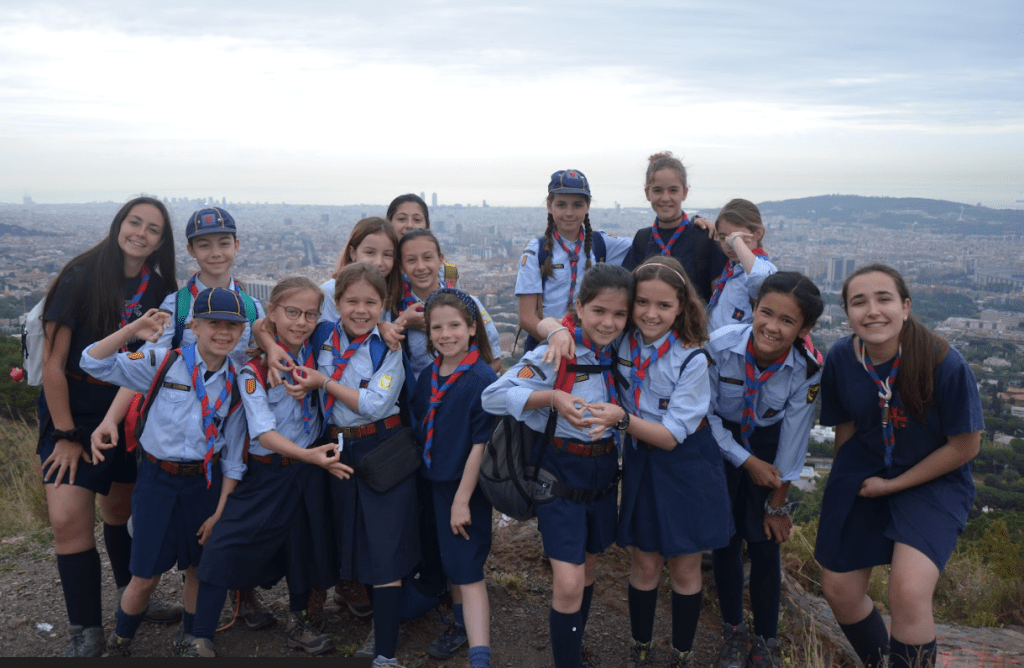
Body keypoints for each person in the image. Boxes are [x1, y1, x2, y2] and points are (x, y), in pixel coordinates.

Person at [542, 257, 733, 667]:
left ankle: (681, 651)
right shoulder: (623, 340)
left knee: (684, 565)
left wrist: (622, 420)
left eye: (664, 305)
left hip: (685, 464)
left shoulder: (691, 358)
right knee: (644, 560)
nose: (651, 313)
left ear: (681, 307)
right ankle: (640, 645)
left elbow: (672, 435)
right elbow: (569, 321)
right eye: (642, 303)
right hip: (642, 460)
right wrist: (555, 329)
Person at [814, 264, 982, 668]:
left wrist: (893, 486)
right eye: (859, 302)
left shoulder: (943, 362)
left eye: (884, 299)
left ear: (905, 307)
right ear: (847, 313)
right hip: (865, 471)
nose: (872, 310)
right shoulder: (842, 357)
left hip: (933, 479)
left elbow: (965, 446)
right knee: (839, 589)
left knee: (908, 591)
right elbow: (845, 427)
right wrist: (841, 489)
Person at [37, 196, 177, 656]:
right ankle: (85, 631)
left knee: (119, 509)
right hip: (72, 405)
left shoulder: (160, 289)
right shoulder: (81, 275)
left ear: (161, 241)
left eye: (153, 229)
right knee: (67, 518)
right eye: (135, 222)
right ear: (119, 224)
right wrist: (65, 434)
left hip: (127, 406)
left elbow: (151, 361)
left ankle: (129, 602)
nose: (141, 233)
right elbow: (53, 363)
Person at [188, 277, 354, 656]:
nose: (301, 322)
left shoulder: (319, 352)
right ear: (273, 313)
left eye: (310, 314)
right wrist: (310, 456)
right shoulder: (253, 370)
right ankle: (201, 633)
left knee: (304, 545)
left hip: (307, 471)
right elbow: (263, 432)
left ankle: (301, 621)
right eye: (291, 312)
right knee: (225, 542)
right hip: (268, 470)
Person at [81, 288, 249, 657]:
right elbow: (92, 362)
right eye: (214, 323)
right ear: (195, 326)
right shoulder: (162, 361)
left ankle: (190, 637)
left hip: (204, 482)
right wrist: (133, 330)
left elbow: (235, 455)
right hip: (157, 480)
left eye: (233, 325)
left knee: (196, 568)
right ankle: (121, 641)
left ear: (242, 331)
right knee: (144, 574)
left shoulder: (238, 381)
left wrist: (221, 512)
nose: (223, 332)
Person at [483, 263, 632, 668]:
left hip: (603, 472)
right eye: (598, 311)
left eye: (619, 314)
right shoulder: (556, 353)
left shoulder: (621, 350)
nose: (608, 322)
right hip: (559, 473)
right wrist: (551, 398)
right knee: (568, 583)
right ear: (579, 308)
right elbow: (492, 397)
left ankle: (573, 646)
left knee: (588, 569)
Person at [285, 262, 414, 668]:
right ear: (336, 303)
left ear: (384, 304)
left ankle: (386, 650)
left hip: (382, 446)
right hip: (337, 448)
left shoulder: (388, 347)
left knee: (385, 545)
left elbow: (374, 404)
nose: (361, 310)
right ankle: (352, 612)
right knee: (348, 535)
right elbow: (266, 325)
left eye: (371, 303)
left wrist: (323, 382)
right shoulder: (322, 334)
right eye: (351, 301)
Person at [706, 272, 824, 668]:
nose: (772, 327)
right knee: (725, 541)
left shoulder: (806, 368)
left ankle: (767, 641)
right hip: (721, 445)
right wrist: (744, 460)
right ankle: (733, 631)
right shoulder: (719, 346)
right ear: (754, 308)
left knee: (764, 545)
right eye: (766, 313)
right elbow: (705, 414)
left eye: (787, 321)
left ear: (804, 329)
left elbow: (794, 437)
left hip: (769, 448)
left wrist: (777, 504)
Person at [410, 288, 498, 668]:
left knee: (468, 570)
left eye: (455, 326)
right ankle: (461, 627)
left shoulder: (480, 379)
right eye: (437, 328)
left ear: (472, 328)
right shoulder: (429, 375)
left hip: (465, 489)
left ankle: (480, 657)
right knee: (453, 565)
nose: (446, 335)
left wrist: (462, 500)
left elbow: (481, 444)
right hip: (435, 483)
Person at [515, 169, 631, 351]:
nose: (569, 213)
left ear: (587, 206)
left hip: (591, 347)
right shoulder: (536, 252)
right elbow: (526, 317)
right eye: (561, 205)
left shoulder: (601, 243)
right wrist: (558, 339)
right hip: (548, 345)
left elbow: (644, 243)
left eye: (577, 205)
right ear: (549, 206)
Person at [388, 229, 502, 383]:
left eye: (427, 258)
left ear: (440, 260)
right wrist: (399, 324)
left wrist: (459, 387)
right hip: (420, 395)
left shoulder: (469, 305)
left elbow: (494, 360)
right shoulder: (394, 310)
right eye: (411, 260)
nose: (420, 266)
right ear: (401, 266)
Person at [621, 152, 724, 303]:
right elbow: (627, 289)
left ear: (685, 192)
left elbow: (720, 297)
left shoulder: (704, 238)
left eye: (673, 190)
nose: (665, 198)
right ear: (647, 193)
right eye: (658, 190)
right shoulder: (642, 239)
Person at [706, 199, 777, 333]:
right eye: (723, 237)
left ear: (757, 233)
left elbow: (761, 280)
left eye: (736, 236)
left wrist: (737, 243)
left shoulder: (762, 267)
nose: (729, 244)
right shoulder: (731, 269)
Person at [321, 217, 401, 325]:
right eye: (370, 253)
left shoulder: (394, 291)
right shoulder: (331, 291)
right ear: (353, 253)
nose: (379, 262)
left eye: (387, 255)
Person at [386, 193, 461, 288]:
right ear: (389, 224)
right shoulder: (383, 268)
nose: (410, 225)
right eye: (402, 219)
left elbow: (455, 297)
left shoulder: (449, 273)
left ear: (426, 225)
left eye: (417, 220)